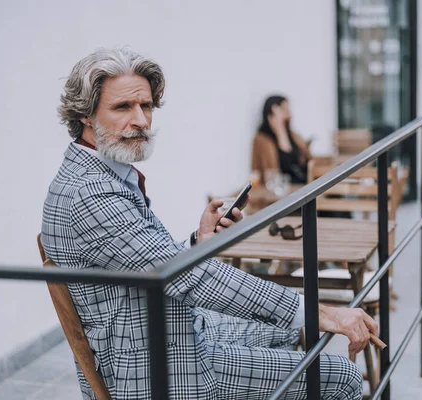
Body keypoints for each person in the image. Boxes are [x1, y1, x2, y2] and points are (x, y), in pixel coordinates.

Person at [41, 47, 377, 400]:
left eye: (147, 106)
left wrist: (199, 242)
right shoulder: (92, 194)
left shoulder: (100, 174)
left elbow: (151, 263)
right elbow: (189, 278)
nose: (141, 119)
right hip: (156, 367)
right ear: (86, 115)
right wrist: (321, 312)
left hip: (168, 329)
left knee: (286, 330)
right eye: (123, 107)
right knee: (342, 376)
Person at [251, 95, 312, 184]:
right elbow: (257, 170)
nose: (289, 114)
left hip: (302, 185)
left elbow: (304, 161)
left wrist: (281, 130)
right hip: (279, 189)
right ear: (272, 112)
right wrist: (279, 128)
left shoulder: (294, 135)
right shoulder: (261, 139)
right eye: (284, 110)